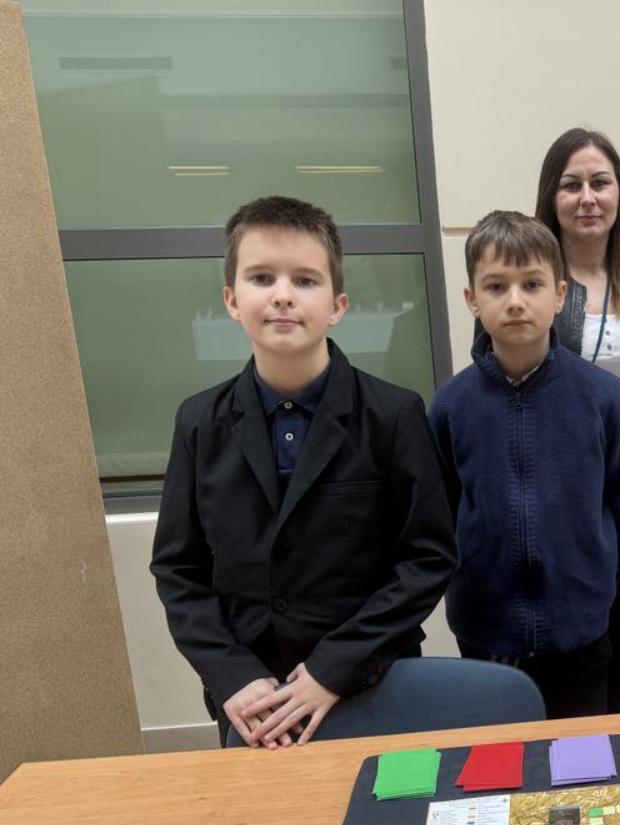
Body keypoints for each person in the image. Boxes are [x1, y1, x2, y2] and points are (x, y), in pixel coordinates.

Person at [151, 196, 457, 747]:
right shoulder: (199, 423)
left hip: (370, 682)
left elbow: (427, 558)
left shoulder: (393, 415)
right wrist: (231, 675)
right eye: (261, 277)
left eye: (305, 280)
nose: (283, 294)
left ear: (338, 305)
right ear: (231, 299)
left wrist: (330, 670)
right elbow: (179, 569)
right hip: (253, 702)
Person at [430, 211, 620, 718]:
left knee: (580, 760)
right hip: (485, 633)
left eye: (532, 284)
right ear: (472, 299)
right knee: (496, 759)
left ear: (561, 294)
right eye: (496, 286)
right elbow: (440, 514)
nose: (515, 300)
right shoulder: (451, 405)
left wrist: (591, 583)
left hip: (581, 633)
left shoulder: (604, 398)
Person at [528, 128, 620, 710]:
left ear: (619, 194)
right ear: (551, 197)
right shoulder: (531, 277)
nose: (587, 198)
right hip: (554, 494)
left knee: (619, 646)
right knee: (562, 660)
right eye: (571, 185)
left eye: (600, 183)